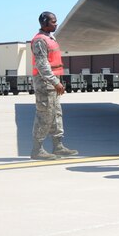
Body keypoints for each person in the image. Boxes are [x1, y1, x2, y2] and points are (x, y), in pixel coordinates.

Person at [30, 11, 78, 160]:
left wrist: (57, 81)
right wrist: (55, 82)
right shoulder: (39, 41)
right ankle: (37, 149)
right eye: (53, 21)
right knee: (45, 114)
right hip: (45, 83)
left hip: (53, 82)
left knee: (56, 114)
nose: (56, 24)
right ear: (45, 23)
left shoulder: (50, 38)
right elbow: (42, 65)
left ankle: (58, 146)